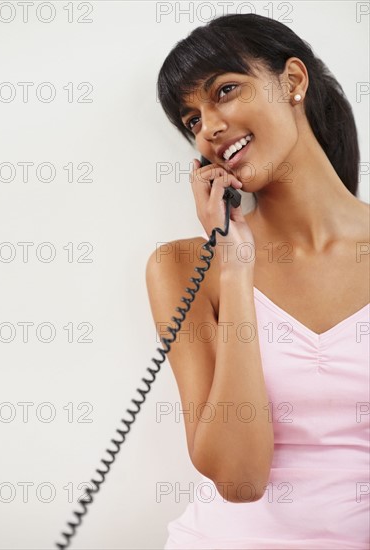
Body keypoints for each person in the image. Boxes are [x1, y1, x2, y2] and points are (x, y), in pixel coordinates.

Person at [145, 13, 370, 550]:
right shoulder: (181, 269)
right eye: (191, 120)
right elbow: (239, 479)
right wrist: (235, 268)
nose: (209, 128)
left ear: (292, 81)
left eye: (224, 91)